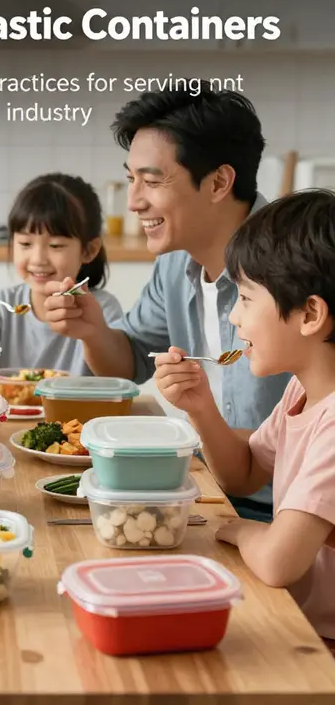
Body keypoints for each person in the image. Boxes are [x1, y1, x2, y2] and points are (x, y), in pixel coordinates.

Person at [42, 82, 289, 521]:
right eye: (130, 179)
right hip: (214, 492)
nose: (135, 201)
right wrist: (93, 331)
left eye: (152, 181)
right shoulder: (176, 265)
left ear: (217, 182)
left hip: (296, 513)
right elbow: (131, 363)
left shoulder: (303, 265)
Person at [153, 190, 335, 646]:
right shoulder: (303, 390)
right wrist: (201, 407)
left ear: (310, 314)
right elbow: (244, 473)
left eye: (247, 298)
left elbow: (277, 562)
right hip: (300, 617)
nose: (234, 316)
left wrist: (238, 528)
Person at [0, 173, 122, 371]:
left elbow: (117, 378)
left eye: (55, 245)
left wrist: (92, 334)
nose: (38, 259)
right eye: (25, 243)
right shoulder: (3, 306)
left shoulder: (103, 309)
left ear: (88, 250)